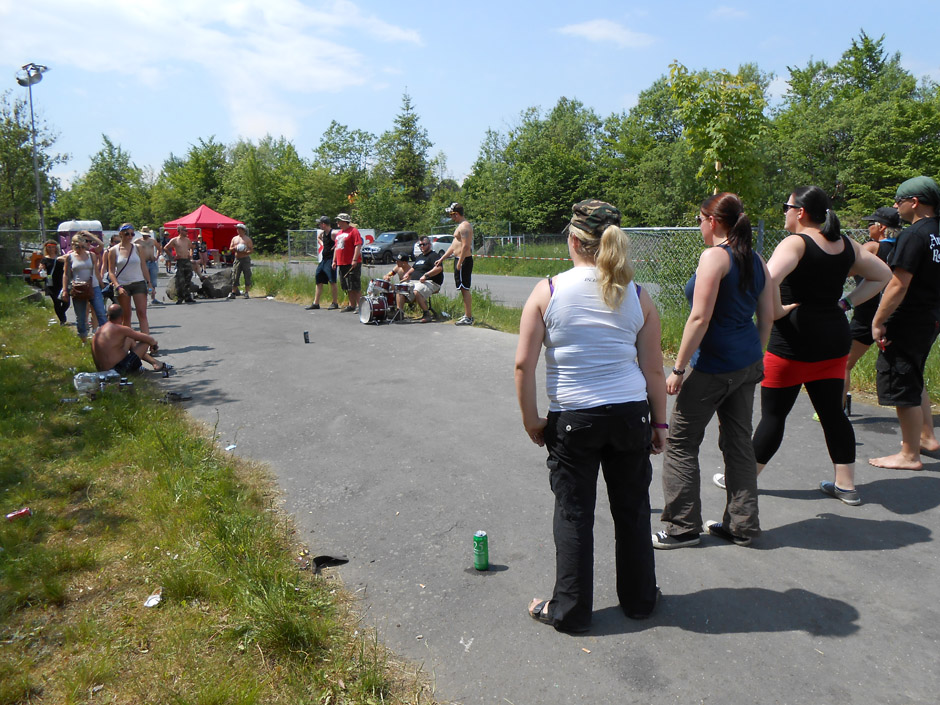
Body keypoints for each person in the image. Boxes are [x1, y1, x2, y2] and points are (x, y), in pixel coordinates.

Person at [515, 199, 667, 633]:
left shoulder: (548, 290)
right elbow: (654, 368)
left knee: (574, 513)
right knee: (633, 509)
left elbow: (524, 365)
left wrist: (532, 420)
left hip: (573, 419)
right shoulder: (637, 295)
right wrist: (659, 424)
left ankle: (571, 610)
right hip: (629, 416)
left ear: (574, 241)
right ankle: (640, 601)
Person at [738, 187, 890, 507]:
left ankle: (745, 479)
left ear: (801, 212)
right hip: (833, 342)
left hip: (792, 345)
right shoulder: (846, 244)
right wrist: (846, 302)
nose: (784, 212)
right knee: (833, 414)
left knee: (774, 416)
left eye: (786, 207)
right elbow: (882, 276)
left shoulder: (796, 243)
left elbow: (765, 281)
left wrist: (775, 312)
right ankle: (846, 485)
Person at [653, 193, 776, 549]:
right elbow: (767, 317)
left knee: (680, 443)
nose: (700, 227)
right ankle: (743, 525)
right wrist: (757, 355)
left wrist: (677, 368)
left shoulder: (714, 258)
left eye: (700, 220)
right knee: (739, 444)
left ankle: (683, 528)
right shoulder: (756, 259)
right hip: (747, 362)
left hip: (713, 367)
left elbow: (699, 317)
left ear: (714, 221)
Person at [869, 176, 940, 470]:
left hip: (909, 318)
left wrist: (879, 320)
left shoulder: (914, 235)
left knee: (901, 377)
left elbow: (898, 284)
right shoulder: (937, 232)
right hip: (931, 316)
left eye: (899, 200)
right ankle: (926, 437)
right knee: (914, 373)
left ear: (915, 202)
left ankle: (909, 455)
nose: (896, 206)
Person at [843, 207, 901, 409]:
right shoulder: (904, 248)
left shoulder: (872, 248)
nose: (868, 227)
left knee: (843, 364)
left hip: (866, 317)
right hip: (894, 315)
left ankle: (837, 408)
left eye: (871, 223)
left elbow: (848, 270)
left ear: (882, 227)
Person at [92, 304, 169, 374]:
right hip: (116, 371)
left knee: (129, 339)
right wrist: (154, 346)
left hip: (102, 371)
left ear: (107, 316)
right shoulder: (121, 329)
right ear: (122, 317)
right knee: (145, 342)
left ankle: (154, 362)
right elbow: (150, 339)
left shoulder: (100, 330)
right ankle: (154, 363)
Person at [107, 223, 154, 334]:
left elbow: (143, 266)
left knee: (142, 313)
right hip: (123, 285)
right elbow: (111, 271)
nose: (130, 236)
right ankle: (128, 343)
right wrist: (117, 286)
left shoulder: (137, 248)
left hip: (138, 282)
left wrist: (149, 283)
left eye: (132, 234)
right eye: (127, 233)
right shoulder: (113, 251)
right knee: (126, 315)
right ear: (121, 234)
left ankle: (146, 342)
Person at [60, 233, 108, 342]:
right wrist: (64, 290)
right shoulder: (70, 257)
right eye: (77, 246)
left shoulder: (91, 255)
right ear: (72, 245)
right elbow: (66, 274)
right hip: (78, 288)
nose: (80, 249)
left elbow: (96, 271)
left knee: (100, 312)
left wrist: (102, 285)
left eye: (82, 246)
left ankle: (107, 338)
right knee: (80, 317)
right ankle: (84, 340)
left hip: (93, 286)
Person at [387, 237, 444, 322]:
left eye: (423, 244)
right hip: (415, 281)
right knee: (400, 288)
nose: (421, 246)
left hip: (431, 282)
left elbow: (439, 268)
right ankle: (400, 313)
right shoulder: (420, 257)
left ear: (429, 245)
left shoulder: (434, 256)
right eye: (420, 245)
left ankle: (426, 314)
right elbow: (414, 268)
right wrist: (408, 274)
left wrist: (426, 275)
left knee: (417, 290)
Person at [436, 202, 475, 325]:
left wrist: (460, 262)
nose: (450, 217)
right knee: (462, 288)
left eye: (451, 214)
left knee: (464, 288)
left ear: (456, 214)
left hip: (463, 260)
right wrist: (442, 258)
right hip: (458, 259)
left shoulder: (465, 227)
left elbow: (466, 246)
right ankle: (467, 315)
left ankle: (468, 317)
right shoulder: (459, 226)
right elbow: (454, 246)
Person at [306, 216, 339, 310]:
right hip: (324, 259)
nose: (319, 225)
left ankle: (335, 302)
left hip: (331, 259)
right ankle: (316, 303)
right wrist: (322, 244)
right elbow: (318, 237)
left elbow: (341, 237)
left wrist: (336, 245)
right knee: (318, 278)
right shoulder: (323, 233)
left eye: (320, 224)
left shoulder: (333, 233)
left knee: (332, 281)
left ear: (324, 224)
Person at [332, 213, 362, 312]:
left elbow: (358, 245)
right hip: (342, 263)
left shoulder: (354, 231)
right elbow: (337, 248)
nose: (337, 223)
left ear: (344, 221)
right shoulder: (339, 233)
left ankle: (360, 305)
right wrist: (334, 261)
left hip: (351, 262)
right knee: (347, 285)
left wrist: (354, 259)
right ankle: (351, 305)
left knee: (355, 285)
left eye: (339, 220)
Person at [166, 225, 196, 304]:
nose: (186, 232)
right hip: (180, 261)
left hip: (187, 260)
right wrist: (172, 256)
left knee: (188, 278)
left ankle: (187, 296)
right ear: (180, 231)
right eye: (184, 230)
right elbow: (166, 247)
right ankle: (180, 297)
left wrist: (190, 254)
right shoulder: (175, 240)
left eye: (186, 230)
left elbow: (192, 247)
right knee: (180, 280)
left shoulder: (187, 240)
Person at [42, 241, 70, 325]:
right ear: (46, 248)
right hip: (51, 284)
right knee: (56, 302)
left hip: (62, 282)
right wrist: (41, 270)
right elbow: (42, 268)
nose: (51, 249)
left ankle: (61, 313)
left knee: (66, 302)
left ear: (56, 248)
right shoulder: (44, 259)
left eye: (52, 247)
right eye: (49, 247)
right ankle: (62, 319)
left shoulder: (60, 258)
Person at [138, 226, 163, 305]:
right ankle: (145, 299)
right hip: (143, 262)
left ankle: (153, 298)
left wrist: (157, 256)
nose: (145, 236)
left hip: (152, 262)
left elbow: (159, 248)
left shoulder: (152, 241)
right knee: (145, 281)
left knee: (153, 281)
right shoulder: (138, 242)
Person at [228, 223, 253, 299]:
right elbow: (230, 248)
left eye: (239, 229)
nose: (237, 230)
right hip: (237, 259)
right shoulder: (234, 238)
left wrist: (246, 252)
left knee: (247, 275)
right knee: (235, 275)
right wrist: (235, 248)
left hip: (245, 259)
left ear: (243, 230)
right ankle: (233, 292)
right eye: (237, 228)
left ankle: (246, 292)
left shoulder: (247, 239)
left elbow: (251, 249)